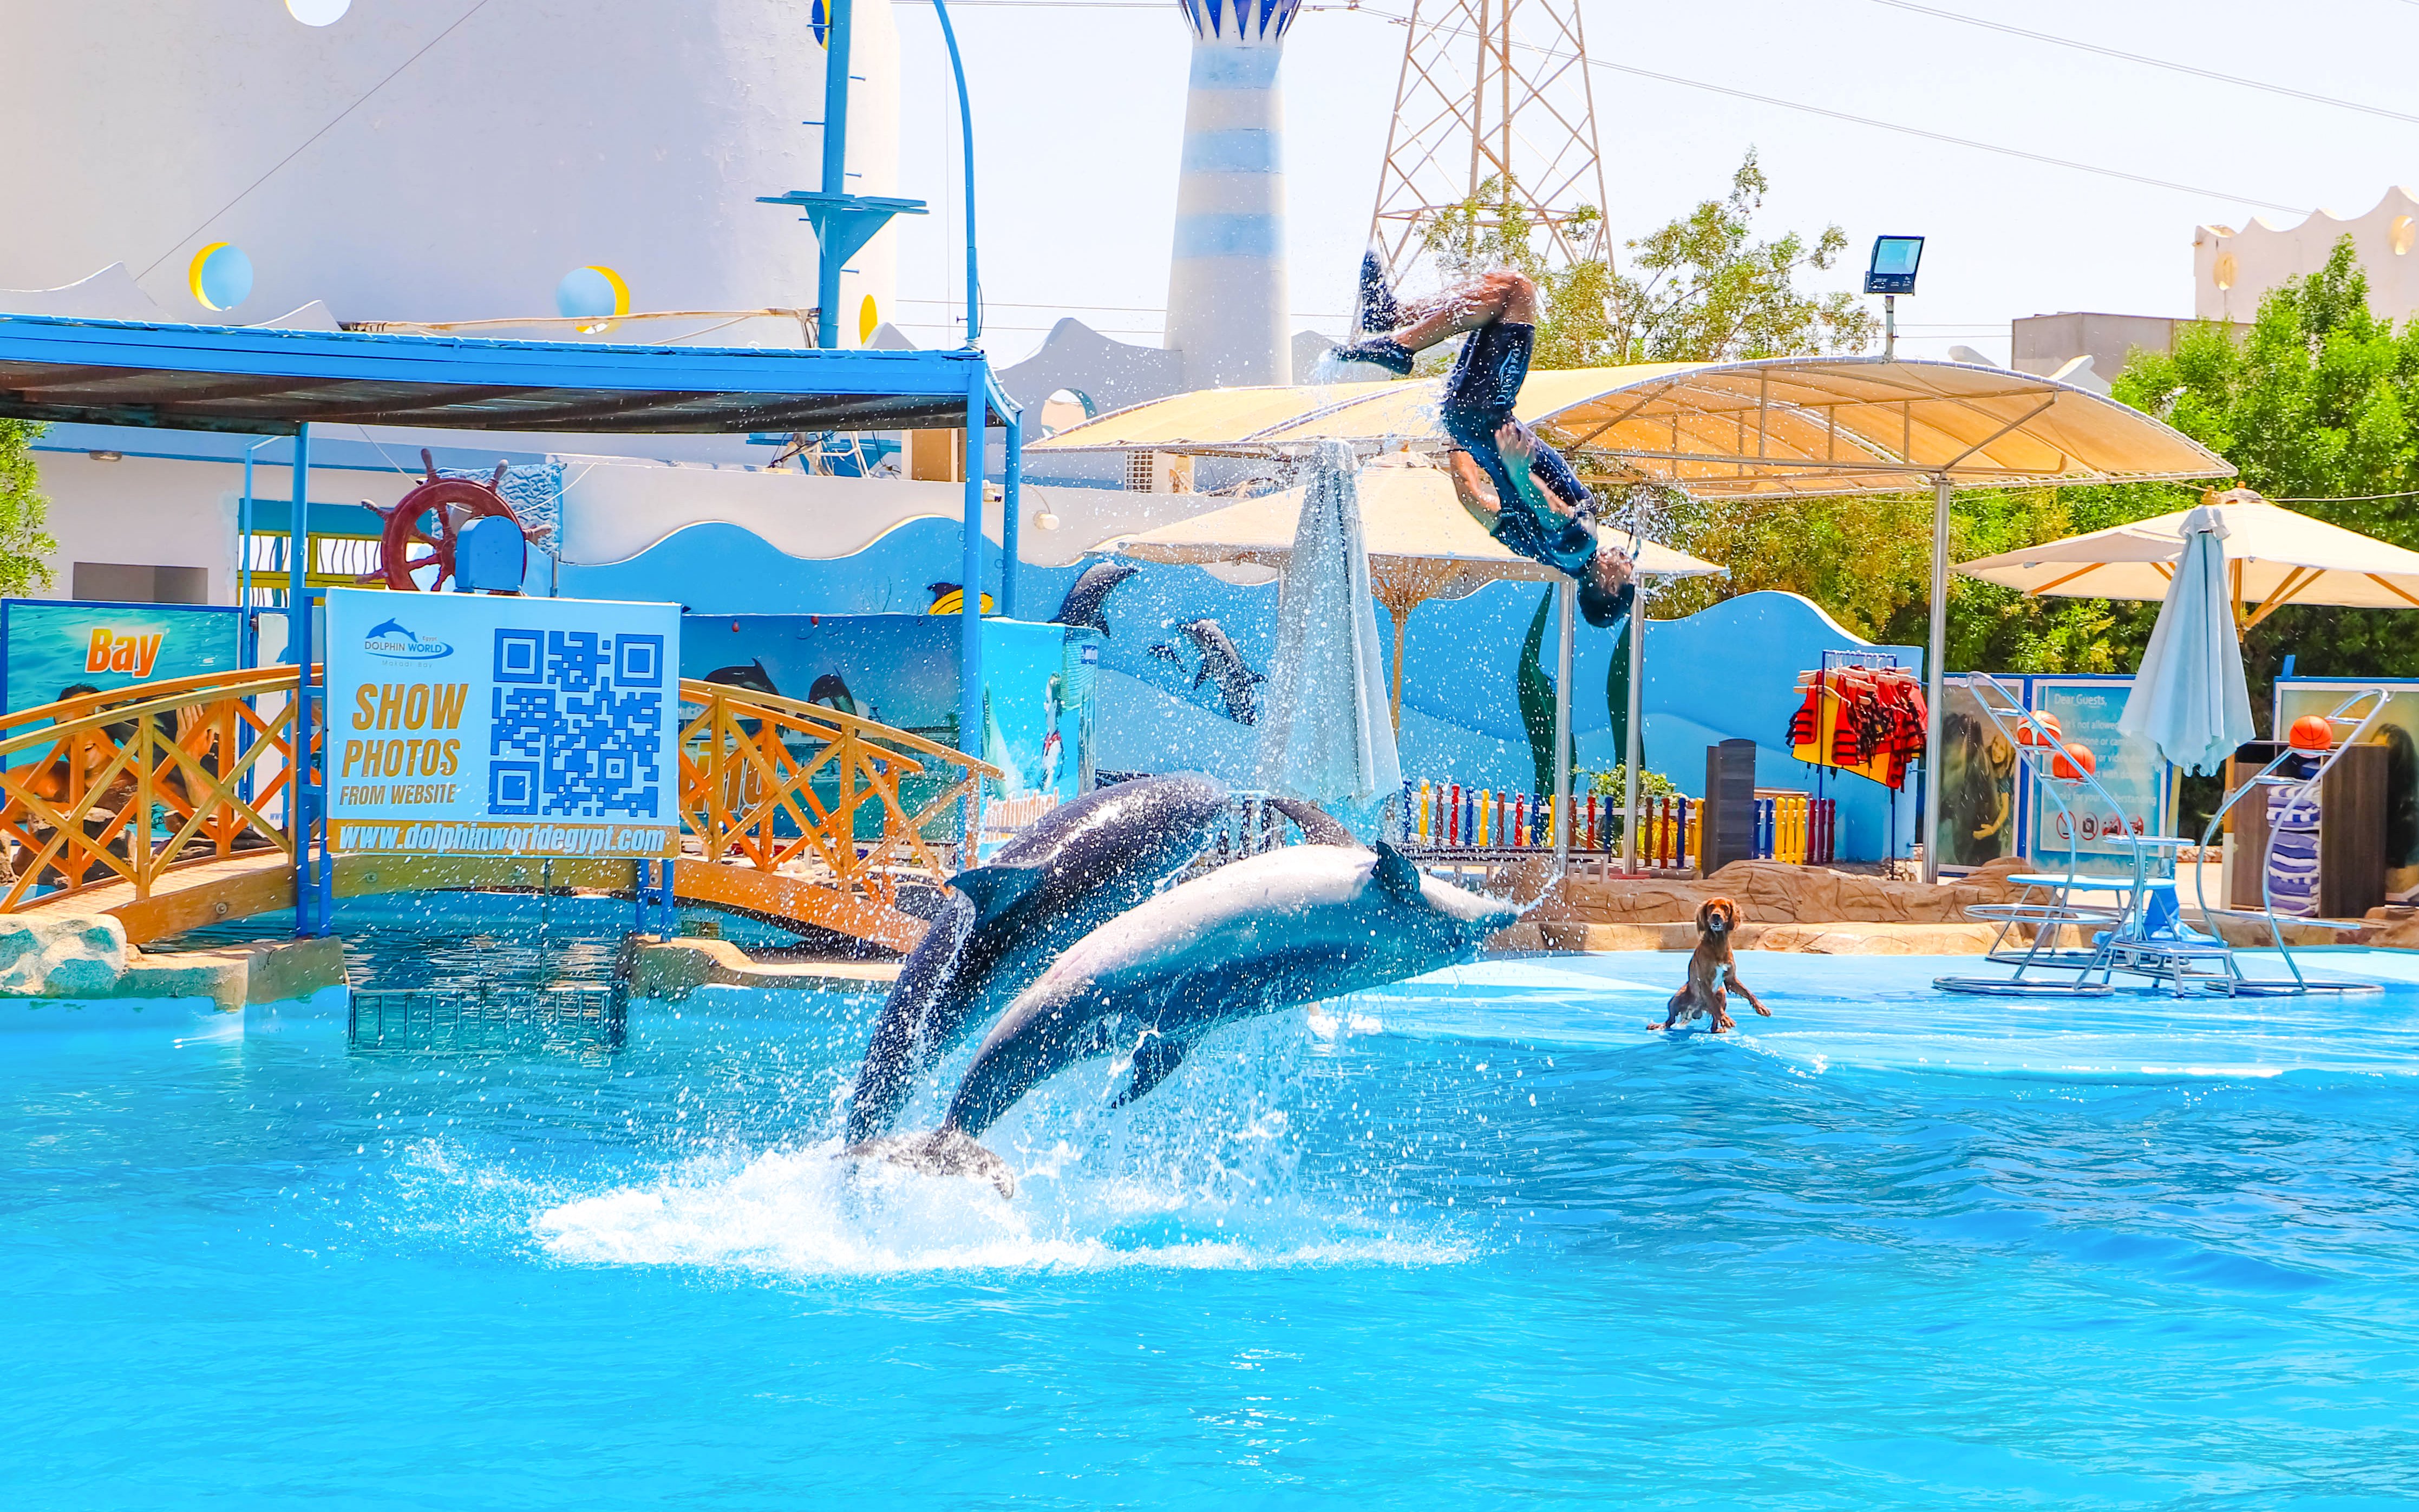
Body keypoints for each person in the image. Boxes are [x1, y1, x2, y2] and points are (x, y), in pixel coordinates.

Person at [1330, 258, 1636, 629]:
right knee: (1497, 293)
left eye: (1628, 577)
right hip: (1464, 420)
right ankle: (1392, 319)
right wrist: (1461, 442)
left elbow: (1550, 509)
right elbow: (1471, 499)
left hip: (1491, 412)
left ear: (1607, 584)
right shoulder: (1533, 549)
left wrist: (1521, 473)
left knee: (1518, 290)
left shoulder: (1580, 547)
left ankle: (1399, 337)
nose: (1630, 566)